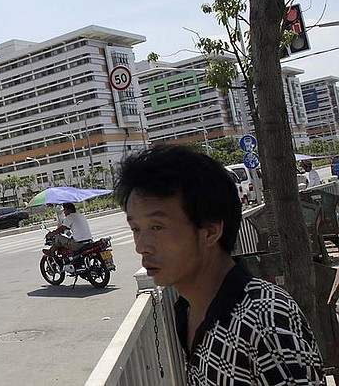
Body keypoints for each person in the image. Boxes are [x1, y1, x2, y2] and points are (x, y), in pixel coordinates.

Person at [115, 145, 325, 384]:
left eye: (157, 227)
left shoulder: (264, 320)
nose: (141, 246)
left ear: (210, 231)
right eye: (136, 229)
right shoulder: (187, 309)